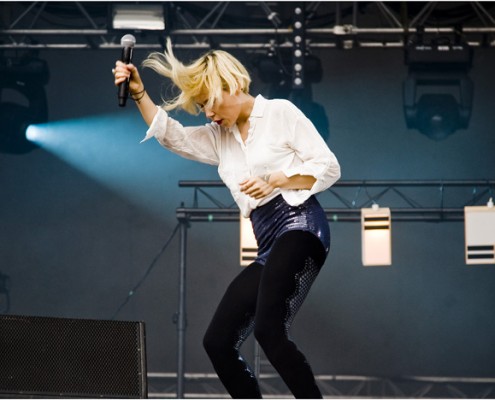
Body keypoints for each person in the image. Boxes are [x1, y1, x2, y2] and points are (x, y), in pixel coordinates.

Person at [113, 39, 341, 399]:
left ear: (230, 86)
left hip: (301, 226)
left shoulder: (280, 113)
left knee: (269, 330)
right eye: (201, 107)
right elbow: (174, 137)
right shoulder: (221, 137)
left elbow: (328, 167)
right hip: (268, 242)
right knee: (217, 342)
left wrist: (279, 178)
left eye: (208, 103)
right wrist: (140, 94)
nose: (207, 114)